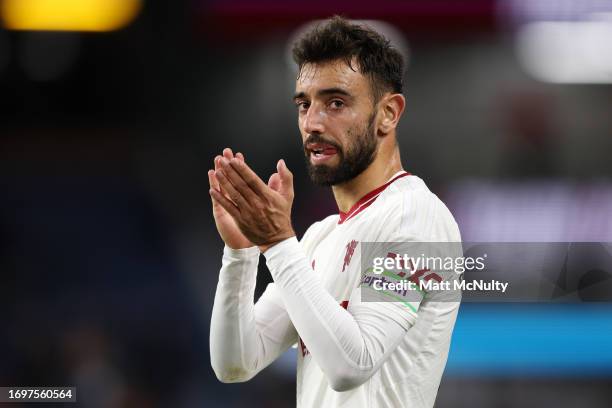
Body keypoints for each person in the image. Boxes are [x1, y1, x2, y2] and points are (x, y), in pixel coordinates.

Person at [209, 16, 461, 408]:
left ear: (389, 113)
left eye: (336, 103)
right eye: (304, 105)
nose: (312, 123)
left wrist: (277, 242)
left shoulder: (418, 217)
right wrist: (241, 253)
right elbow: (235, 363)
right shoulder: (320, 238)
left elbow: (351, 365)